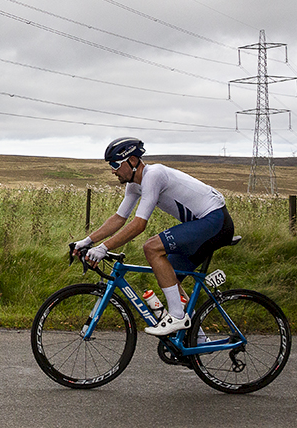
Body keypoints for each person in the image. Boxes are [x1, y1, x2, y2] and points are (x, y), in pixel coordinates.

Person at [73, 137, 234, 336]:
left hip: (215, 221)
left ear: (132, 161)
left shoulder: (153, 174)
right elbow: (118, 219)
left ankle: (177, 316)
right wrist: (87, 242)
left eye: (115, 164)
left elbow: (139, 224)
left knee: (152, 248)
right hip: (204, 225)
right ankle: (197, 339)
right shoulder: (134, 185)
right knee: (169, 275)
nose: (112, 170)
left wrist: (103, 248)